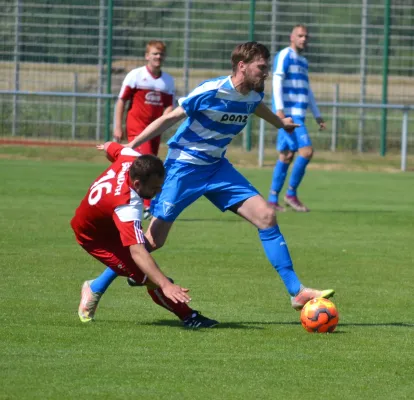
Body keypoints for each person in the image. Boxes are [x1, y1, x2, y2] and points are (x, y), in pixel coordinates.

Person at [90, 41, 334, 327]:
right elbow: (170, 118)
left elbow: (258, 108)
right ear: (242, 65)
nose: (265, 72)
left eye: (266, 68)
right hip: (183, 167)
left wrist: (281, 124)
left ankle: (297, 291)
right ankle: (95, 286)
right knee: (153, 241)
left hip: (218, 168)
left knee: (266, 216)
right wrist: (130, 146)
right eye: (261, 67)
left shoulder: (253, 94)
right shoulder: (211, 90)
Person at [71, 141, 218, 328]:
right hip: (94, 237)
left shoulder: (131, 158)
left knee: (147, 273)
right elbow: (138, 251)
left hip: (108, 223)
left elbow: (113, 147)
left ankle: (97, 286)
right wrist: (166, 284)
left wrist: (106, 146)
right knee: (150, 277)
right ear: (138, 183)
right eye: (154, 189)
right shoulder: (127, 205)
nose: (157, 193)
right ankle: (189, 317)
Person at [113, 40, 175, 219]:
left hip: (155, 131)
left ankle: (124, 196)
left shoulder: (168, 80)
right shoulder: (135, 75)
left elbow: (168, 108)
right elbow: (121, 101)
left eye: (161, 54)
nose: (158, 57)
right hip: (137, 129)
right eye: (155, 54)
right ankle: (148, 206)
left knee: (139, 164)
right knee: (149, 165)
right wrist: (118, 126)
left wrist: (165, 121)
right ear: (147, 56)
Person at [268, 24, 326, 212]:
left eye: (306, 36)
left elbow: (307, 90)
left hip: (297, 114)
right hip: (289, 115)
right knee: (306, 151)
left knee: (286, 156)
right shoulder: (285, 55)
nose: (304, 39)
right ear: (291, 37)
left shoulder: (303, 61)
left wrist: (317, 115)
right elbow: (276, 80)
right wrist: (280, 111)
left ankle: (272, 199)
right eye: (300, 36)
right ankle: (291, 195)